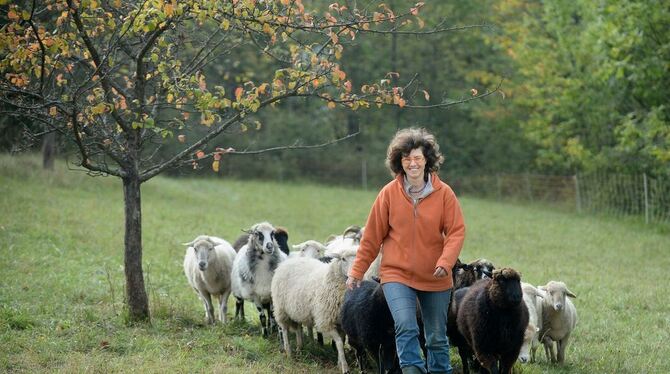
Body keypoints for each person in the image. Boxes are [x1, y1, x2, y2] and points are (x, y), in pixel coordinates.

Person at [346, 127, 465, 374]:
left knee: (435, 337)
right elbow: (371, 237)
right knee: (406, 327)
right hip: (396, 275)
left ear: (427, 161)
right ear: (399, 162)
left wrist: (446, 261)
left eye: (418, 158)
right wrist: (357, 271)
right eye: (407, 158)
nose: (413, 163)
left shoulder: (445, 195)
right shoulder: (388, 194)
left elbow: (456, 232)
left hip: (436, 277)